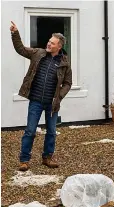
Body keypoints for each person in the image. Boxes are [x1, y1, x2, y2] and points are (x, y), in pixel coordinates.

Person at [10, 21, 72, 171]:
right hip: (36, 101)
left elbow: (68, 83)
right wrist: (15, 33)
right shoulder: (37, 53)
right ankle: (24, 160)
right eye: (49, 41)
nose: (49, 44)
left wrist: (59, 97)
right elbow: (20, 49)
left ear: (59, 46)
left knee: (51, 132)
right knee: (30, 130)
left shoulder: (65, 62)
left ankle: (47, 158)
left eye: (52, 43)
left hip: (52, 104)